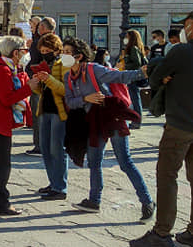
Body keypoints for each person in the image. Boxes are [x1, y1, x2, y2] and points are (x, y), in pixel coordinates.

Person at [130, 10, 193, 247]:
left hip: (181, 122)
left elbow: (156, 76)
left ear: (191, 26)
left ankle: (161, 234)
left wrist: (166, 79)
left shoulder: (184, 51)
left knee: (167, 175)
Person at [62, 37, 154, 220]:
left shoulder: (93, 69)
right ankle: (94, 201)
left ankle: (147, 201)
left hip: (113, 117)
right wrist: (85, 99)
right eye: (62, 52)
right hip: (95, 121)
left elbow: (118, 76)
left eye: (66, 52)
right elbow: (70, 102)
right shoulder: (68, 77)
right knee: (94, 161)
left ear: (78, 56)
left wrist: (141, 73)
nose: (62, 55)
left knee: (125, 161)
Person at [0, 36, 38, 216]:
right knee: (2, 165)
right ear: (15, 52)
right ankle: (1, 202)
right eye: (24, 51)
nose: (26, 54)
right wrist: (29, 88)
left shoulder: (5, 67)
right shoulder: (2, 70)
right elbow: (7, 98)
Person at [30, 33, 70, 200]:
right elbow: (44, 91)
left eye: (47, 50)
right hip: (44, 109)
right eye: (42, 50)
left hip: (58, 111)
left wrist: (49, 79)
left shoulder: (64, 63)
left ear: (56, 49)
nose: (44, 53)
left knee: (57, 149)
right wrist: (36, 85)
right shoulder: (44, 64)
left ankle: (60, 187)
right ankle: (53, 181)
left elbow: (66, 89)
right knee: (45, 148)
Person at [26, 17, 55, 155]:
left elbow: (33, 60)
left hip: (38, 79)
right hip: (54, 81)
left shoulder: (39, 42)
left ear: (42, 27)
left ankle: (39, 145)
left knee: (38, 114)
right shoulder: (56, 40)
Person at [120, 30, 148, 129]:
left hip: (134, 77)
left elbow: (137, 63)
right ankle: (136, 120)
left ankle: (136, 121)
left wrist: (125, 66)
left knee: (135, 99)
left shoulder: (133, 48)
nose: (125, 39)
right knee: (135, 98)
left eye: (127, 37)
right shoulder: (135, 48)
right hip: (134, 76)